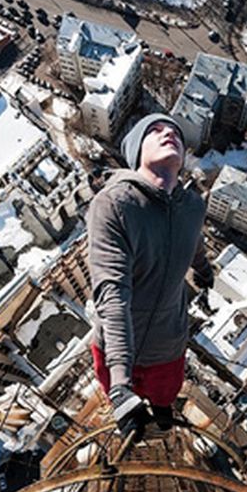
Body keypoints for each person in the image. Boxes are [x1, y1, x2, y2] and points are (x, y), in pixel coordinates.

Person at [86, 113, 214, 442]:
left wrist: (203, 269)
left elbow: (194, 241)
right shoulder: (114, 205)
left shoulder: (192, 207)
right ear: (136, 151)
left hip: (167, 343)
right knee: (128, 412)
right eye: (154, 130)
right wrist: (120, 384)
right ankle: (131, 404)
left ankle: (161, 407)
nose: (168, 133)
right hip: (115, 345)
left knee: (164, 395)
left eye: (175, 132)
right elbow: (113, 294)